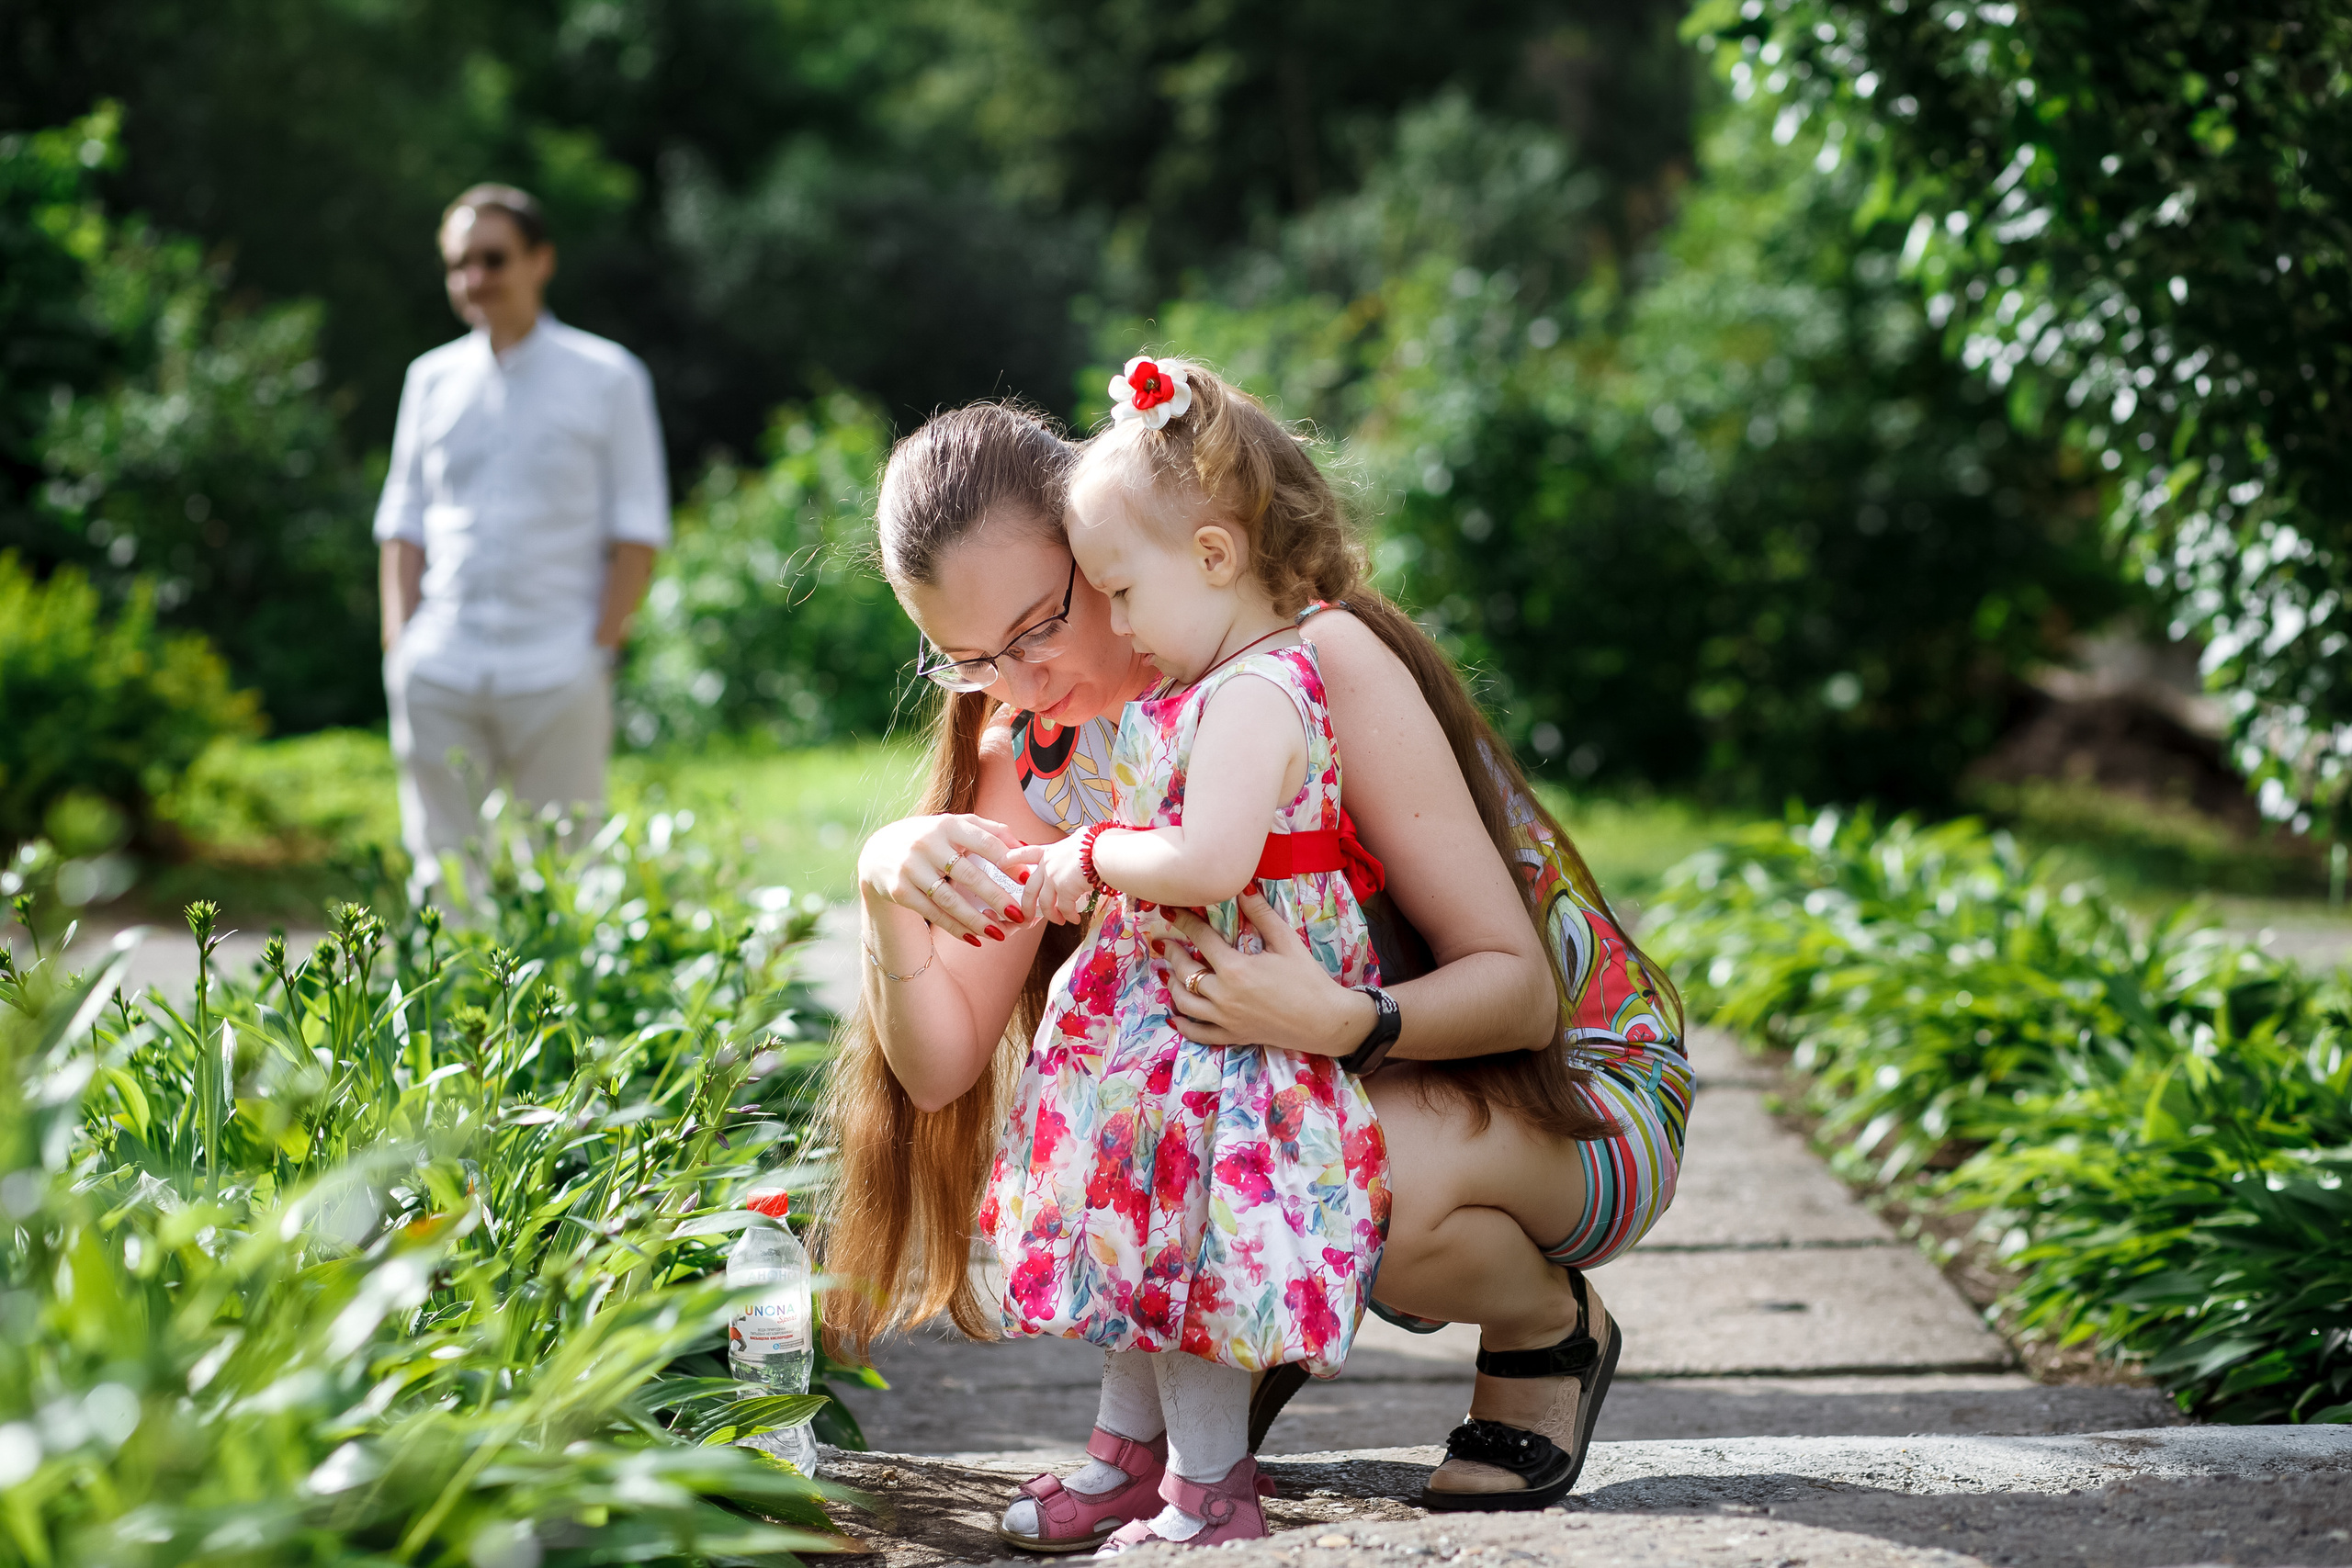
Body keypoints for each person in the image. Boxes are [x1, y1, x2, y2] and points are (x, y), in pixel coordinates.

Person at [820, 367, 1690, 1532]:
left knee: (1330, 1171)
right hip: (1323, 1090)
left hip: (1568, 1090)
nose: (1022, 684)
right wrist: (885, 882)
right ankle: (1182, 1417)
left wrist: (1346, 1022)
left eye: (1040, 624)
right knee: (1174, 1148)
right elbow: (938, 1070)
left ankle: (1544, 1326)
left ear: (1106, 542)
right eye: (970, 659)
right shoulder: (1031, 737)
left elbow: (1519, 994)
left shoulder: (1306, 664)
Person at [978, 358, 1391, 1551]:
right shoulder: (1205, 685)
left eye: (1120, 589)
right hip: (1171, 1014)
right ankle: (1131, 1456)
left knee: (1188, 1244)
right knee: (1137, 1227)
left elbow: (1210, 858)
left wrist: (1097, 851)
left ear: (1214, 557)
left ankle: (1209, 1494)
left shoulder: (1261, 688)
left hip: (1227, 1017)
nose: (1113, 622)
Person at [374, 183, 669, 896]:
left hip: (558, 667)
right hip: (438, 666)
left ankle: (561, 1010)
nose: (474, 279)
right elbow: (403, 520)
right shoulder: (429, 378)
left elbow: (638, 528)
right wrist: (401, 647)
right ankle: (451, 1008)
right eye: (458, 264)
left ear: (541, 260)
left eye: (493, 258)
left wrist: (597, 651)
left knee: (566, 873)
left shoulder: (608, 376)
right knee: (443, 874)